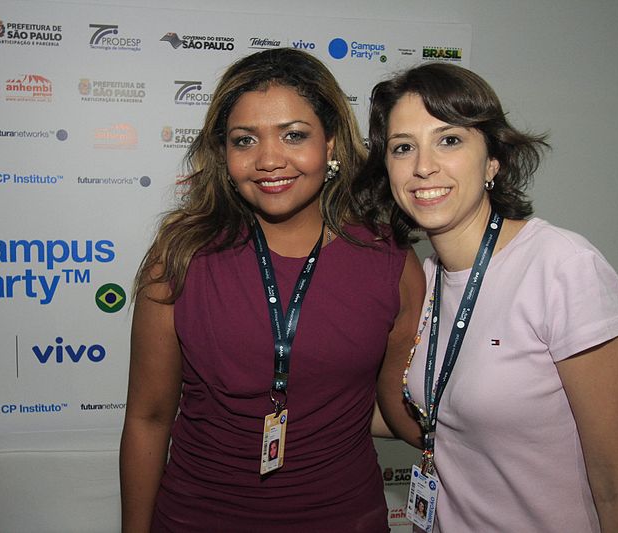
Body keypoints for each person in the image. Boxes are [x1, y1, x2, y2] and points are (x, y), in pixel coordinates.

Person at [119, 48, 425, 533]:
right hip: (197, 520)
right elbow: (149, 418)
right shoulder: (180, 257)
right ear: (224, 153)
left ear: (330, 145)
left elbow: (399, 409)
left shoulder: (392, 263)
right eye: (245, 140)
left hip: (345, 519)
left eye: (293, 135)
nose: (268, 159)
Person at [355, 62, 618, 532]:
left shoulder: (561, 267)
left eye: (449, 140)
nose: (423, 166)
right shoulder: (419, 278)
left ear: (492, 160)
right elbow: (431, 414)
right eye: (403, 147)